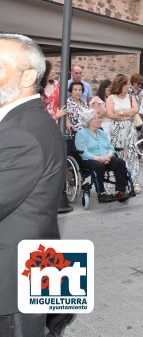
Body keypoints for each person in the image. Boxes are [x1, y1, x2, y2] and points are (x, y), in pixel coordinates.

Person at [0, 34, 66, 337]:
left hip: (12, 287)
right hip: (34, 268)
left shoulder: (23, 131)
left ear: (28, 76)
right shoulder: (22, 120)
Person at [75, 109, 130, 201]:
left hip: (106, 157)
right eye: (96, 118)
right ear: (89, 121)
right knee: (99, 166)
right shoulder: (81, 134)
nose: (99, 120)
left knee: (120, 162)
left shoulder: (101, 133)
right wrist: (98, 158)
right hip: (89, 160)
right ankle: (101, 191)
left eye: (99, 118)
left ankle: (120, 191)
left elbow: (110, 147)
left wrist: (109, 155)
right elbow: (83, 152)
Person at [106, 75, 141, 194]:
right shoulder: (111, 98)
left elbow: (135, 110)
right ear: (120, 85)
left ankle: (134, 181)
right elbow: (110, 114)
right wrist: (126, 114)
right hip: (116, 129)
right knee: (117, 155)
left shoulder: (131, 97)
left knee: (133, 154)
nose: (128, 86)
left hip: (130, 128)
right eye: (126, 84)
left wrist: (120, 113)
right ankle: (115, 181)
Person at [66, 81, 88, 155]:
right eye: (75, 90)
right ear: (71, 91)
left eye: (80, 90)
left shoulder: (84, 104)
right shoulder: (67, 102)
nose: (78, 92)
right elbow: (64, 115)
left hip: (84, 134)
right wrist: (68, 123)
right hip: (72, 134)